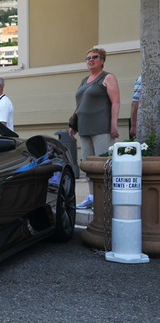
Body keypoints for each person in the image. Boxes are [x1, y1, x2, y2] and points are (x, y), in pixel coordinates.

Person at [70, 48, 121, 209]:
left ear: (102, 60)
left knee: (104, 164)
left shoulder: (108, 77)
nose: (90, 60)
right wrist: (74, 124)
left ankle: (106, 199)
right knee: (88, 166)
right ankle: (92, 197)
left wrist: (113, 124)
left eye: (94, 57)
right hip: (84, 128)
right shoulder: (85, 80)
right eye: (88, 58)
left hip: (101, 128)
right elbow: (80, 104)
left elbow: (116, 102)